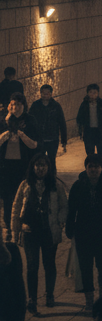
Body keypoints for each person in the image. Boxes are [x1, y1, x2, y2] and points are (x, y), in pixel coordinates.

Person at [11, 153, 68, 314]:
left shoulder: (55, 185)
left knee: (49, 264)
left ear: (48, 167)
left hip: (49, 231)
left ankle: (49, 294)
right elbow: (16, 208)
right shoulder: (25, 185)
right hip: (30, 231)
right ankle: (32, 299)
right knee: (32, 266)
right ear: (33, 167)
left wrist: (60, 220)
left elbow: (64, 205)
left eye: (44, 165)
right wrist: (16, 229)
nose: (41, 168)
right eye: (38, 165)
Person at [65, 154, 102, 310]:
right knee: (85, 267)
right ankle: (89, 300)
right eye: (91, 166)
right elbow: (72, 210)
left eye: (97, 166)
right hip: (83, 233)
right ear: (86, 168)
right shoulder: (78, 186)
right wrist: (70, 230)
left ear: (101, 168)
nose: (94, 169)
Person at [1, 94, 41, 238]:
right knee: (7, 197)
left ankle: (23, 223)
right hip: (6, 166)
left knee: (24, 195)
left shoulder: (30, 120)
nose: (15, 107)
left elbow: (35, 144)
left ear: (23, 105)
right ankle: (8, 228)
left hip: (23, 164)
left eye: (18, 104)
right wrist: (4, 135)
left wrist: (22, 135)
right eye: (12, 104)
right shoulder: (3, 121)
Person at [75, 84, 102, 163]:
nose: (93, 94)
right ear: (88, 93)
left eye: (95, 92)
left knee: (101, 154)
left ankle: (101, 172)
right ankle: (91, 171)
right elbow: (79, 119)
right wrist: (80, 132)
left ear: (98, 93)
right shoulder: (84, 105)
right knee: (90, 155)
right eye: (91, 92)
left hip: (101, 133)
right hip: (89, 133)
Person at [29, 84, 67, 164]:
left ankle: (51, 175)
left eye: (47, 93)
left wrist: (64, 139)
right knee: (39, 159)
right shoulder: (35, 105)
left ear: (51, 94)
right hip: (39, 138)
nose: (45, 95)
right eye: (43, 93)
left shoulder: (56, 106)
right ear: (41, 93)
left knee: (52, 160)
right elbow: (30, 120)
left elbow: (62, 122)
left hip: (52, 139)